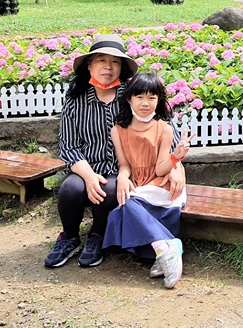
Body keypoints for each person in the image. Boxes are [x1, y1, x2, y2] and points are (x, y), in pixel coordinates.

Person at [44, 34, 186, 268]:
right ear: (89, 65)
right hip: (86, 167)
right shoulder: (75, 100)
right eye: (101, 60)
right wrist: (88, 176)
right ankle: (69, 238)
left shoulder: (132, 96)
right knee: (70, 189)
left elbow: (167, 135)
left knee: (111, 190)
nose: (108, 67)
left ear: (122, 68)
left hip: (123, 170)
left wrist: (176, 169)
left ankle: (97, 237)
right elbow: (68, 147)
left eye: (115, 62)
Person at [103, 73, 193, 288]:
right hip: (139, 185)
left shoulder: (164, 128)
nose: (145, 103)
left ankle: (163, 249)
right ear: (129, 99)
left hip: (161, 185)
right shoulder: (118, 130)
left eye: (152, 98)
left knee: (127, 205)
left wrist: (176, 157)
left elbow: (161, 170)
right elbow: (124, 165)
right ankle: (168, 247)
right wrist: (123, 178)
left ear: (159, 101)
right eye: (140, 97)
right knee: (126, 200)